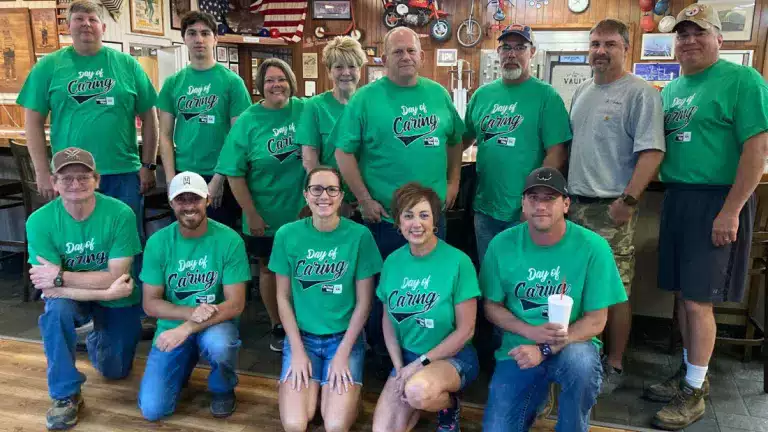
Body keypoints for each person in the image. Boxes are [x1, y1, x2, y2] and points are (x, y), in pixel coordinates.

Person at [646, 4, 768, 430]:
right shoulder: (674, 89)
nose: (689, 40)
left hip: (717, 200)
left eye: (699, 32)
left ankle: (695, 390)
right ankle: (690, 372)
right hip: (679, 197)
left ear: (721, 38)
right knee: (683, 293)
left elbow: (757, 150)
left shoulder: (743, 80)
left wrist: (731, 210)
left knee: (699, 300)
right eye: (682, 34)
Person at [481, 167, 627, 432]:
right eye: (533, 198)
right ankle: (535, 398)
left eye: (550, 198)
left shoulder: (593, 247)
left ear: (566, 204)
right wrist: (530, 332)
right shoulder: (501, 244)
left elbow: (596, 321)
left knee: (581, 365)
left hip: (573, 343)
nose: (541, 206)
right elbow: (491, 306)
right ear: (523, 204)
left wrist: (544, 349)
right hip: (519, 347)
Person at [567, 18, 665, 395]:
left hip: (612, 208)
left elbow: (652, 151)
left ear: (626, 48)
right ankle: (581, 353)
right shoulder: (583, 93)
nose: (600, 51)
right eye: (594, 44)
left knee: (616, 290)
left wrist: (627, 202)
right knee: (577, 285)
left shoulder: (640, 93)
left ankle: (616, 363)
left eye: (609, 44)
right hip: (575, 207)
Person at [26, 147, 143, 431]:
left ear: (97, 179)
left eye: (83, 177)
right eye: (66, 179)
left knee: (115, 371)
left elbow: (118, 275)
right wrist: (105, 290)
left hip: (114, 297)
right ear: (54, 183)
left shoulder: (120, 213)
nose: (75, 185)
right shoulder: (39, 221)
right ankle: (65, 395)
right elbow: (51, 289)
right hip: (83, 298)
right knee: (55, 313)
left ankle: (93, 336)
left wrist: (61, 277)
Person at [17, 0, 158, 232]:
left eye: (93, 19)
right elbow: (32, 122)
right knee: (77, 242)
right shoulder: (48, 67)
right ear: (68, 27)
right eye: (79, 19)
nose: (86, 24)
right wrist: (42, 172)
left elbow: (150, 117)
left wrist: (149, 165)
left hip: (123, 172)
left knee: (127, 242)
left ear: (103, 27)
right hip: (71, 174)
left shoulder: (128, 65)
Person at [332, 26, 465, 257]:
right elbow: (343, 153)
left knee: (430, 283)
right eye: (398, 52)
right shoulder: (364, 99)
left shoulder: (439, 94)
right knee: (384, 286)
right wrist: (364, 199)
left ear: (421, 56)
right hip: (384, 218)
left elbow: (455, 140)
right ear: (384, 59)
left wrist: (453, 181)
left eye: (411, 51)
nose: (406, 57)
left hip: (431, 216)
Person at [270, 166, 383, 432]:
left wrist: (343, 354)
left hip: (344, 339)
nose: (324, 196)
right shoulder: (287, 235)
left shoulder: (359, 236)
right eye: (317, 189)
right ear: (306, 195)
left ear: (341, 196)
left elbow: (364, 303)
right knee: (297, 423)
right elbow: (282, 298)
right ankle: (315, 389)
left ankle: (339, 396)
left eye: (332, 189)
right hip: (303, 338)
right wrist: (296, 351)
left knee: (334, 425)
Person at [138, 171, 251, 421]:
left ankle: (223, 388)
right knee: (152, 410)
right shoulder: (158, 242)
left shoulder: (229, 240)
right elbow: (150, 303)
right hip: (172, 326)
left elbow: (235, 304)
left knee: (221, 344)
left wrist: (188, 327)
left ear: (208, 200)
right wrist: (190, 314)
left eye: (195, 199)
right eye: (182, 200)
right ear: (171, 203)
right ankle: (183, 363)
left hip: (216, 324)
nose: (189, 206)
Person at [371, 183, 480, 432]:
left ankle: (448, 406)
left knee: (418, 391)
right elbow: (388, 319)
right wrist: (399, 366)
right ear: (398, 223)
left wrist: (419, 364)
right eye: (408, 216)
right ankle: (417, 399)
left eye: (424, 215)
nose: (416, 223)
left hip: (452, 358)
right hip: (407, 357)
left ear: (435, 222)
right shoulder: (393, 261)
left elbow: (466, 331)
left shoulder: (458, 262)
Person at [216, 58, 306, 352]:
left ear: (291, 81)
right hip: (263, 212)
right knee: (270, 269)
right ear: (260, 86)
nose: (276, 85)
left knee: (305, 268)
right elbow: (233, 171)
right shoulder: (248, 120)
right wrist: (251, 213)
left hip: (303, 210)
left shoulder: (306, 110)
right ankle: (277, 324)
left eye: (281, 78)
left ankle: (306, 322)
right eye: (269, 80)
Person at [463, 24, 570, 263]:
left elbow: (557, 153)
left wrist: (535, 201)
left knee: (524, 278)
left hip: (528, 213)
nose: (511, 54)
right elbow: (460, 140)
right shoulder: (482, 95)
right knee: (490, 275)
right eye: (506, 48)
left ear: (532, 52)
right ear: (498, 53)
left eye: (520, 47)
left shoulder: (547, 96)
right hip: (485, 208)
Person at [157, 11, 251, 228]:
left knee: (221, 240)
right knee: (186, 237)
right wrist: (171, 179)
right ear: (184, 39)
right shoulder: (173, 83)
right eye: (192, 33)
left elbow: (238, 137)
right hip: (184, 173)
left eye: (205, 33)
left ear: (215, 39)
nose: (199, 39)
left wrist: (218, 179)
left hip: (221, 175)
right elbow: (164, 134)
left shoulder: (232, 82)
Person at [296, 36, 367, 217]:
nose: (346, 72)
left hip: (368, 201)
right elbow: (309, 159)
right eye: (338, 67)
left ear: (360, 70)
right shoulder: (314, 106)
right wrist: (331, 198)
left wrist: (366, 199)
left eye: (352, 66)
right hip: (330, 203)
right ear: (329, 71)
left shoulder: (369, 105)